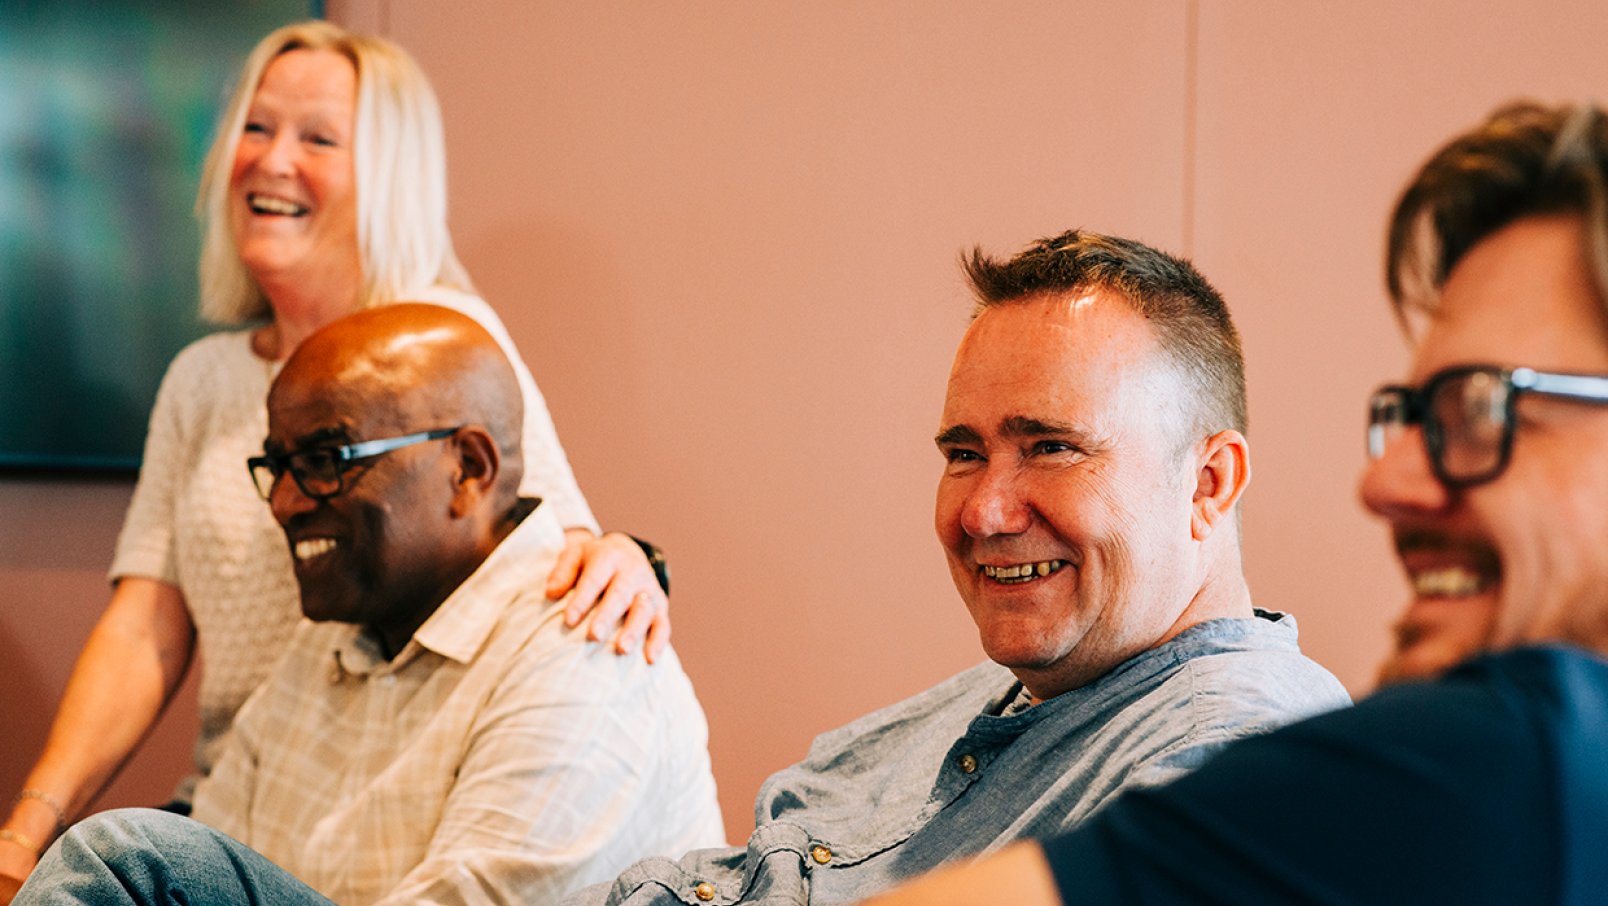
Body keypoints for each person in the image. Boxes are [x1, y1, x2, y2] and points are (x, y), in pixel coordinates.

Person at [859, 100, 1608, 906]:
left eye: (1482, 408)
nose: (1384, 482)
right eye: (964, 455)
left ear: (1211, 482)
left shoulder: (1514, 755)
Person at [0, 20, 669, 897]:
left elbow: (549, 552)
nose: (274, 161)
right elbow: (143, 627)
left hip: (385, 819)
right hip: (242, 800)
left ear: (388, 176)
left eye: (318, 138)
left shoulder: (441, 352)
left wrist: (634, 558)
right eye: (255, 127)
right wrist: (26, 829)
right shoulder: (200, 381)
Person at [557, 230, 1346, 904]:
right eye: (965, 454)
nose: (983, 513)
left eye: (1051, 447)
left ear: (1208, 483)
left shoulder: (1242, 751)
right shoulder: (1037, 682)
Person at [11, 304, 725, 906]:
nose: (286, 504)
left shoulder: (587, 651)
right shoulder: (330, 643)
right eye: (279, 467)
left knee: (128, 856)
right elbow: (226, 850)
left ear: (468, 469)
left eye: (327, 462)